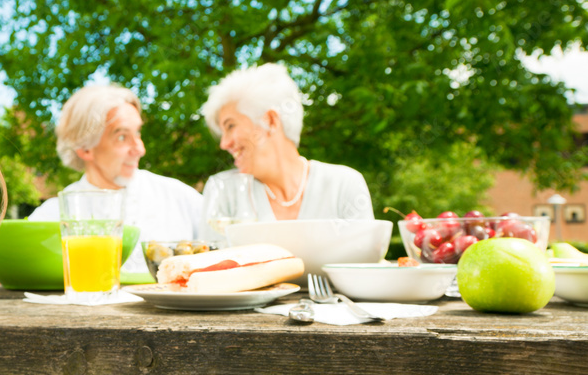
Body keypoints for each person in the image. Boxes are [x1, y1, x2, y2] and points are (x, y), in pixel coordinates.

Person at [28, 84, 203, 273]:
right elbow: (16, 268)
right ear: (85, 148)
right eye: (122, 137)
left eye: (137, 132)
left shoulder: (179, 197)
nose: (140, 149)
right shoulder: (53, 215)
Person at [199, 63, 374, 243]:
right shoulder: (223, 190)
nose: (224, 143)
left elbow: (365, 266)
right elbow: (209, 267)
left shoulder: (344, 185)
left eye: (230, 126)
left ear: (271, 121)